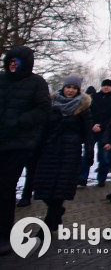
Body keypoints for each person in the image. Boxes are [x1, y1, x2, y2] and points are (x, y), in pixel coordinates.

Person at [0, 45, 51, 254]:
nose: (13, 64)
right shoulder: (1, 79)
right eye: (10, 60)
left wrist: (21, 121)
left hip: (18, 144)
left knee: (5, 188)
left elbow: (43, 109)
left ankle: (4, 235)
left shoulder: (36, 83)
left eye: (17, 61)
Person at [33, 75, 92, 231]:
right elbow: (43, 129)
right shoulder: (52, 104)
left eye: (74, 88)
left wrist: (89, 151)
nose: (70, 91)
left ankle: (46, 227)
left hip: (69, 153)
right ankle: (57, 212)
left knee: (60, 191)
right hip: (49, 151)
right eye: (68, 87)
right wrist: (36, 148)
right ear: (63, 87)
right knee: (44, 189)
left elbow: (87, 133)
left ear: (78, 90)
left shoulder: (82, 108)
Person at [86, 79, 111, 187]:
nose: (106, 87)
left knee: (104, 156)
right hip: (93, 129)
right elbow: (88, 113)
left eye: (108, 86)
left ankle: (101, 179)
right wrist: (93, 124)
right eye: (104, 85)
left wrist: (103, 126)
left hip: (107, 131)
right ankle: (82, 177)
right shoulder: (94, 98)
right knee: (87, 154)